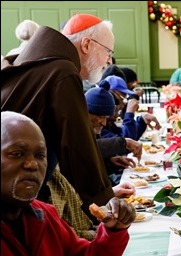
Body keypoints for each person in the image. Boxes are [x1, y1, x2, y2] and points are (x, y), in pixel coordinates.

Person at [1, 13, 125, 222]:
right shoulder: (63, 71)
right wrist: (105, 206)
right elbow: (77, 146)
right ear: (86, 44)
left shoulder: (43, 58)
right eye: (108, 51)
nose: (108, 60)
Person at [1, 111, 136, 256]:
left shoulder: (45, 216)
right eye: (17, 153)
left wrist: (113, 233)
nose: (32, 164)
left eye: (40, 155)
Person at [101, 75, 161, 141]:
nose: (123, 103)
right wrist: (129, 113)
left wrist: (142, 121)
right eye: (122, 98)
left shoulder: (109, 122)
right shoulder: (100, 125)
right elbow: (125, 143)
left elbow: (128, 137)